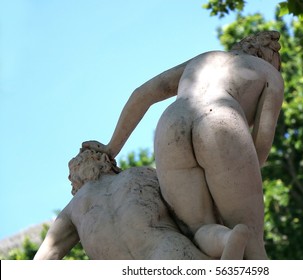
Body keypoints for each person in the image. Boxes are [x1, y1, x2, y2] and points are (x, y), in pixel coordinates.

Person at [82, 31, 284, 259]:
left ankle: (227, 240)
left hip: (171, 122)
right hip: (221, 119)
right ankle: (239, 239)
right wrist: (239, 177)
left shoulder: (204, 59)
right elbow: (262, 145)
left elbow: (143, 93)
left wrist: (111, 148)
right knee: (251, 236)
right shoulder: (270, 75)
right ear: (270, 57)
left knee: (197, 229)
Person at [34, 149, 249, 260]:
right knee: (200, 228)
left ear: (75, 183)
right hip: (172, 256)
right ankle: (227, 242)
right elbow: (190, 213)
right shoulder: (139, 174)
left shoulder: (73, 208)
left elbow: (44, 258)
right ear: (108, 163)